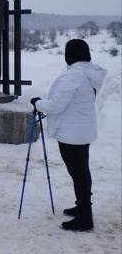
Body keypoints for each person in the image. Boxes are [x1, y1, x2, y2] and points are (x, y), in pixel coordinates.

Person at [31, 39, 107, 232]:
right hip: (82, 130)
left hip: (71, 133)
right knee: (82, 172)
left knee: (78, 174)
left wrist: (37, 102)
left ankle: (84, 217)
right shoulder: (89, 74)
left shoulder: (73, 76)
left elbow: (56, 105)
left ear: (70, 55)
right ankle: (82, 208)